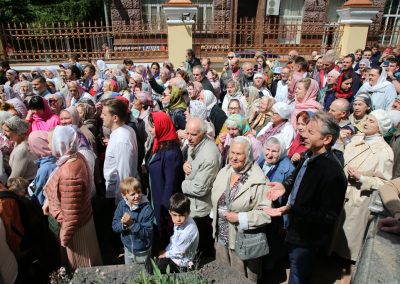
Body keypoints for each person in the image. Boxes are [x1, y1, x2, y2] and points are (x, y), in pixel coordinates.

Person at [265, 111, 347, 284]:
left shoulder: (333, 173)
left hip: (307, 236)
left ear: (326, 139)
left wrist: (294, 209)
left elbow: (328, 216)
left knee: (299, 273)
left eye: (311, 132)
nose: (303, 134)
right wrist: (284, 186)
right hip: (294, 226)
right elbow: (296, 176)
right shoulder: (309, 155)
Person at [332, 109, 394, 262]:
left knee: (345, 236)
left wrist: (362, 178)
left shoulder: (385, 152)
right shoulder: (356, 137)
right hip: (339, 190)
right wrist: (342, 142)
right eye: (367, 119)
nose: (366, 123)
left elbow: (385, 182)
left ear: (380, 127)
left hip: (357, 197)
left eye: (372, 121)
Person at [212, 137, 271, 282]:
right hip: (221, 237)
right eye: (232, 152)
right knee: (223, 275)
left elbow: (266, 214)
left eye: (239, 154)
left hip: (243, 241)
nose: (233, 157)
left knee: (241, 278)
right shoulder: (224, 172)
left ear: (248, 155)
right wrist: (214, 217)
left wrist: (240, 218)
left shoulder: (259, 180)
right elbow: (216, 197)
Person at [43, 125, 102, 271]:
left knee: (82, 269)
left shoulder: (69, 173)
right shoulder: (76, 156)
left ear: (60, 143)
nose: (48, 145)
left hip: (76, 233)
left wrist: (63, 239)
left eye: (50, 142)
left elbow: (71, 216)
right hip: (83, 222)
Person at [182, 118, 222, 257]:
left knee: (201, 254)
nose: (189, 138)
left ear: (204, 133)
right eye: (187, 133)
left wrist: (182, 183)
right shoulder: (196, 145)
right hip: (193, 207)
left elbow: (199, 189)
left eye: (193, 134)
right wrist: (185, 165)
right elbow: (192, 166)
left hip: (201, 211)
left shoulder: (209, 154)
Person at [147, 112, 184, 253]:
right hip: (155, 195)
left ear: (162, 127)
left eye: (153, 126)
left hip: (162, 203)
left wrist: (163, 210)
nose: (150, 130)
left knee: (164, 237)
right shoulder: (159, 143)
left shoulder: (171, 153)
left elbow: (170, 184)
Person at [150, 193, 199, 274]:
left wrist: (165, 254)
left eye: (182, 215)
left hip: (181, 261)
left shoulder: (188, 233)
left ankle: (188, 268)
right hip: (177, 251)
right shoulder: (183, 222)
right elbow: (175, 238)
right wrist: (166, 250)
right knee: (153, 257)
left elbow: (179, 252)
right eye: (175, 215)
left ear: (188, 212)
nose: (178, 219)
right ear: (170, 212)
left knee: (153, 267)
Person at [102, 99, 138, 203]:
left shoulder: (121, 140)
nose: (101, 117)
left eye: (104, 114)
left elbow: (124, 175)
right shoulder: (124, 131)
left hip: (117, 196)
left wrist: (121, 204)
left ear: (115, 118)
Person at [112, 177, 154, 264]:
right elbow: (115, 226)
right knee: (130, 273)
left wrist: (131, 224)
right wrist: (124, 225)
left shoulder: (147, 209)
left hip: (142, 251)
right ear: (124, 196)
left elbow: (147, 233)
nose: (137, 196)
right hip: (128, 249)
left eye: (139, 192)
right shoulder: (122, 205)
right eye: (132, 194)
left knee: (145, 274)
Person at [2, 116, 37, 180]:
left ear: (17, 132)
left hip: (24, 185)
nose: (4, 133)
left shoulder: (22, 150)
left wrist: (5, 188)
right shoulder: (17, 142)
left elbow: (15, 178)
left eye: (7, 131)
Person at [27, 131, 57, 205]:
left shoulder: (45, 168)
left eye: (31, 145)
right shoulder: (55, 159)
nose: (29, 149)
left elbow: (39, 199)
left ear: (39, 147)